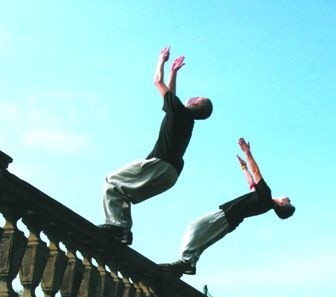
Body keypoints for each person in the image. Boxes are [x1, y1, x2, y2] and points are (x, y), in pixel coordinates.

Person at [100, 46, 213, 245]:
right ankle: (123, 232)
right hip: (171, 175)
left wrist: (161, 60)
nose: (193, 96)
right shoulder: (185, 119)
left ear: (195, 103)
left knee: (111, 182)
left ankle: (116, 225)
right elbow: (171, 95)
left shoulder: (180, 112)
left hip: (161, 164)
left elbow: (157, 82)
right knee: (123, 192)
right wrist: (174, 72)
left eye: (197, 98)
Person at [162, 137, 295, 276]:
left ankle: (187, 263)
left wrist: (247, 152)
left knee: (194, 228)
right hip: (229, 219)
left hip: (227, 216)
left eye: (289, 202)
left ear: (282, 204)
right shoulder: (264, 200)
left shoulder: (266, 197)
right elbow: (252, 185)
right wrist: (244, 167)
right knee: (202, 238)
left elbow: (256, 173)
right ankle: (189, 263)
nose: (289, 199)